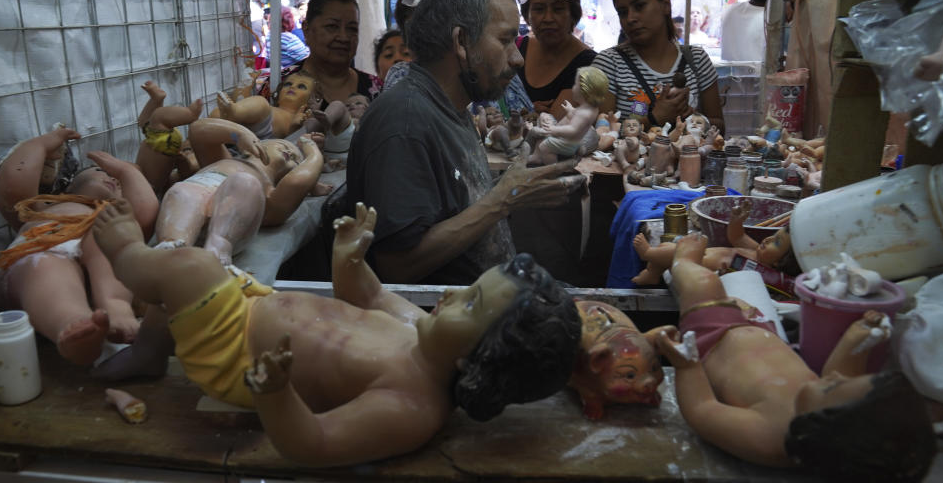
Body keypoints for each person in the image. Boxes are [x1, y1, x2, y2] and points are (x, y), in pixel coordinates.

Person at [90, 199, 582, 466]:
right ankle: (150, 352)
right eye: (470, 287)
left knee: (191, 268)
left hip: (238, 358)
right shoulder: (420, 328)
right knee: (193, 287)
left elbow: (316, 444)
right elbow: (364, 297)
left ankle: (125, 252)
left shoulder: (411, 407)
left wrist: (277, 394)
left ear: (476, 363)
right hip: (254, 307)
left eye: (470, 303)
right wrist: (350, 258)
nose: (451, 295)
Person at [347, 0, 586, 285]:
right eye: (504, 40)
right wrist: (503, 199)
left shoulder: (448, 107)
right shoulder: (404, 122)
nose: (517, 58)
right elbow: (398, 266)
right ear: (461, 41)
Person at [653, 233, 936, 479]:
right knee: (733, 293)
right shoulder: (826, 409)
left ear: (826, 434)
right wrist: (855, 338)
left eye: (833, 385)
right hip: (761, 332)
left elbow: (702, 410)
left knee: (703, 281)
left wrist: (686, 364)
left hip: (712, 338)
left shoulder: (768, 438)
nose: (835, 376)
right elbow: (839, 375)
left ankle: (681, 261)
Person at [0, 126, 158, 364]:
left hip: (99, 282)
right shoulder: (42, 208)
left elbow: (145, 209)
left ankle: (116, 308)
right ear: (68, 188)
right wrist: (47, 141)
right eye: (102, 172)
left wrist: (125, 170)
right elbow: (13, 183)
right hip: (40, 257)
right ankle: (73, 324)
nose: (113, 179)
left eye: (120, 183)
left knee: (114, 236)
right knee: (43, 268)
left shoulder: (113, 217)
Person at [153, 117, 326, 265]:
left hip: (228, 224)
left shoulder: (268, 194)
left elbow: (298, 182)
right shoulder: (222, 160)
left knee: (244, 182)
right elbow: (198, 130)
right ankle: (172, 245)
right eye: (282, 145)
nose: (290, 152)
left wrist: (313, 153)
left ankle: (218, 248)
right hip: (194, 199)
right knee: (183, 191)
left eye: (296, 160)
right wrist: (238, 134)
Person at [592, 0, 724, 132]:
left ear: (665, 6)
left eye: (640, 6)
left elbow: (720, 127)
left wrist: (693, 118)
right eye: (623, 12)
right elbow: (599, 135)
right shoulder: (608, 64)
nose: (631, 18)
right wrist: (655, 118)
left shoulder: (696, 59)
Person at [632, 197, 799, 285]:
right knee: (665, 246)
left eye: (776, 243)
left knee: (669, 252)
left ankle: (648, 253)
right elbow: (737, 237)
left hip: (696, 266)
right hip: (699, 254)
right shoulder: (756, 250)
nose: (768, 239)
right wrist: (736, 221)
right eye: (774, 235)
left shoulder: (760, 274)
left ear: (778, 263)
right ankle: (651, 274)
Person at [517, 0, 597, 119]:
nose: (548, 18)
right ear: (527, 15)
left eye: (558, 9)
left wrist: (521, 112)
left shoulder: (588, 64)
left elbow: (555, 125)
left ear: (573, 14)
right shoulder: (517, 48)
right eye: (539, 9)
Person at [293, 0, 381, 108]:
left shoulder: (377, 90)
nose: (344, 37)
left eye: (352, 29)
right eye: (332, 26)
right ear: (306, 29)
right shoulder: (278, 86)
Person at [528, 66, 609, 165]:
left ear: (585, 91)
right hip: (572, 140)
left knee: (544, 145)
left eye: (575, 85)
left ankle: (552, 168)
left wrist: (554, 129)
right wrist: (571, 111)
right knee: (544, 119)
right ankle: (538, 156)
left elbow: (572, 130)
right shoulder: (591, 109)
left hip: (568, 143)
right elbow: (579, 121)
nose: (573, 88)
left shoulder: (584, 113)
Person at [134, 80, 202, 195]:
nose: (186, 149)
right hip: (162, 151)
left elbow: (187, 172)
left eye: (189, 149)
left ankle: (189, 114)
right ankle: (159, 100)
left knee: (152, 121)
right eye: (186, 147)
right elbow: (185, 172)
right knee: (150, 121)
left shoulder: (193, 160)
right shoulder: (172, 161)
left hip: (149, 184)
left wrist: (184, 159)